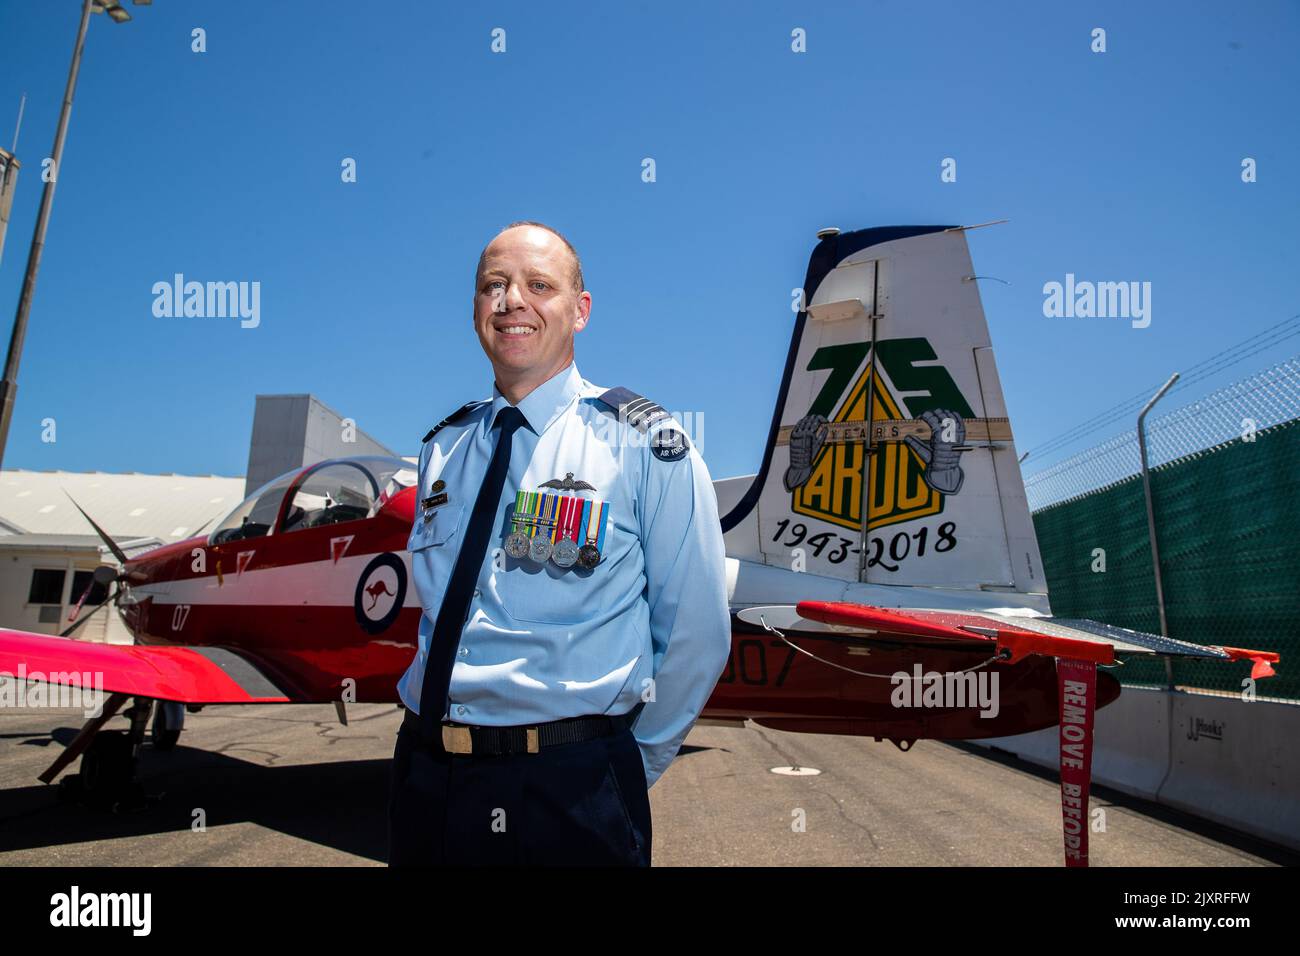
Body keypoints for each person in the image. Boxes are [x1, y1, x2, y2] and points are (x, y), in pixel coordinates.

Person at [387, 220, 732, 866]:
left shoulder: (645, 443)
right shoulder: (443, 447)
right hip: (426, 781)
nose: (511, 300)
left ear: (580, 311)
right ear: (475, 309)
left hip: (569, 793)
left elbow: (696, 634)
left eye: (538, 285)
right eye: (494, 285)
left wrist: (622, 766)